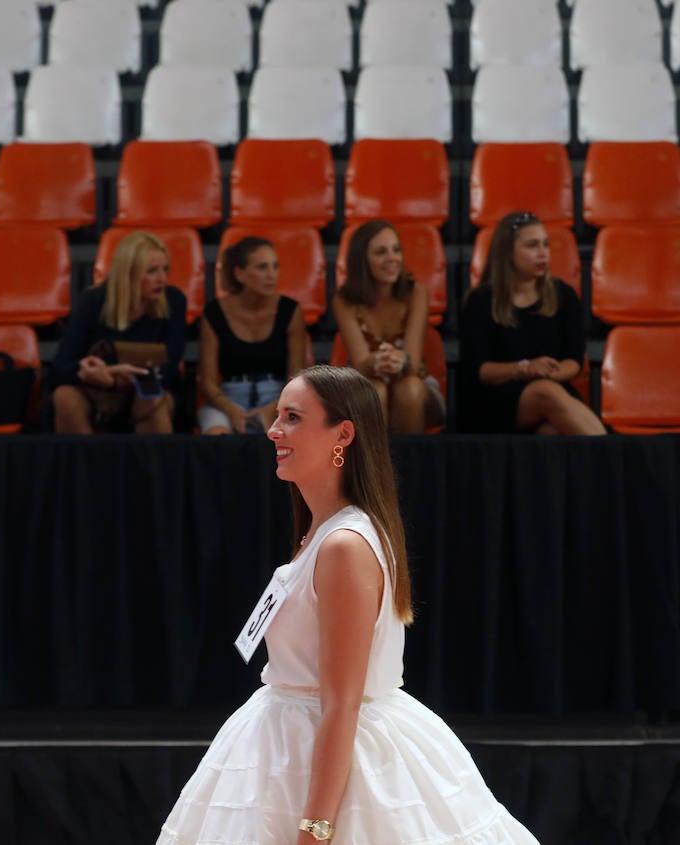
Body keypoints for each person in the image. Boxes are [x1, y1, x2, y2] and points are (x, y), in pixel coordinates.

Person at [157, 365, 540, 845]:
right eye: (278, 416)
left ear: (342, 434)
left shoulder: (344, 545)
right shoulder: (323, 532)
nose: (274, 430)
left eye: (292, 417)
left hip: (334, 751)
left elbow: (342, 703)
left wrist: (315, 829)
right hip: (287, 741)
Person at [458, 210, 605, 435]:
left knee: (550, 430)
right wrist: (524, 369)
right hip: (494, 400)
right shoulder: (480, 300)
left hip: (552, 391)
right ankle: (615, 461)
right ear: (507, 252)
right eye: (532, 245)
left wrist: (548, 374)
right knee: (544, 392)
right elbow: (480, 370)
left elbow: (573, 360)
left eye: (545, 245)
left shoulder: (563, 294)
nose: (543, 253)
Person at [51, 230, 185, 434]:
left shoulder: (174, 300)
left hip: (149, 387)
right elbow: (61, 367)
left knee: (150, 395)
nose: (163, 279)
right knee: (65, 397)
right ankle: (84, 465)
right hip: (98, 390)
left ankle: (153, 465)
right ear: (128, 273)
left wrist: (123, 379)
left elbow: (171, 367)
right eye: (152, 271)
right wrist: (99, 375)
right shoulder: (93, 301)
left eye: (165, 269)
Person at [332, 220, 445, 433]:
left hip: (415, 382)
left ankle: (408, 465)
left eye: (396, 250)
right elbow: (360, 363)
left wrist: (400, 361)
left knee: (409, 390)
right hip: (366, 380)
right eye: (381, 252)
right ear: (362, 260)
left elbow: (413, 365)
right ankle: (374, 466)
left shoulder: (417, 293)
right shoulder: (344, 299)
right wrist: (377, 361)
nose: (392, 259)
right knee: (374, 390)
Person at [198, 236, 307, 434]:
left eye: (275, 266)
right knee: (215, 432)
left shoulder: (290, 310)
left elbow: (296, 379)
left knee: (293, 429)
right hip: (228, 397)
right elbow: (208, 382)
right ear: (240, 274)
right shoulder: (214, 313)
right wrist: (232, 411)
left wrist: (273, 409)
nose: (272, 275)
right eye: (262, 267)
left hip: (279, 396)